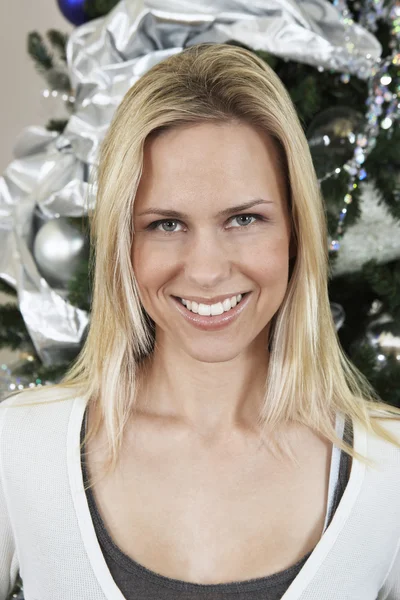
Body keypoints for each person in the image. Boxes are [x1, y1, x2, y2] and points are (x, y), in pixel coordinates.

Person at [1, 42, 400, 600]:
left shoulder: (389, 470)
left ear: (295, 232)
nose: (208, 270)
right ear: (123, 244)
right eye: (166, 224)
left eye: (244, 218)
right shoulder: (18, 447)